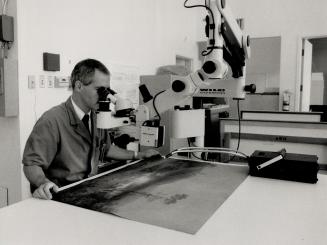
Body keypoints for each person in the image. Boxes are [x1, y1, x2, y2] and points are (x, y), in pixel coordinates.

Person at [22, 59, 159, 200]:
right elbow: (31, 164)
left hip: (89, 191)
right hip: (61, 195)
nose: (105, 96)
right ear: (79, 86)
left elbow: (106, 149)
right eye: (99, 90)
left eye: (107, 90)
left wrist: (138, 155)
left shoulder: (97, 116)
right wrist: (43, 183)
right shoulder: (52, 120)